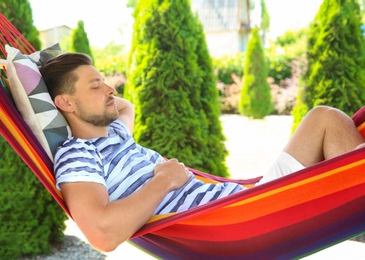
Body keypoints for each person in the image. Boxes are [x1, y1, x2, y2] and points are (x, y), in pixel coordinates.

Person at [39, 52, 365, 252]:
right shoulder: (77, 155)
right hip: (237, 223)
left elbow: (126, 105)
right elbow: (102, 235)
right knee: (326, 121)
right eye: (95, 86)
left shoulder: (118, 132)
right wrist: (163, 181)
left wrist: (53, 69)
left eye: (105, 81)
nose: (111, 89)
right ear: (65, 103)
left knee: (326, 119)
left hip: (252, 200)